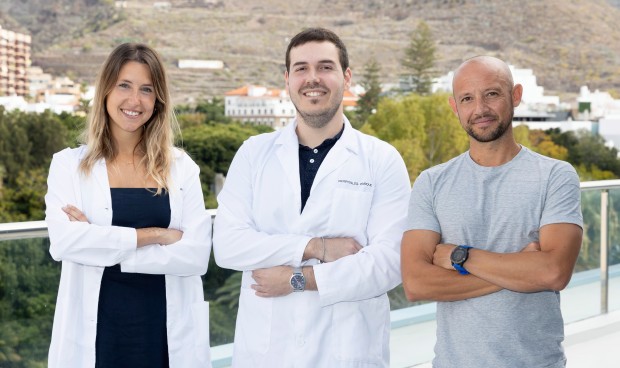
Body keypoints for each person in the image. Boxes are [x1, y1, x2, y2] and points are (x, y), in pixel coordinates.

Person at [212, 27, 411, 367]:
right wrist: (315, 248)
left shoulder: (381, 159)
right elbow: (228, 245)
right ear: (288, 79)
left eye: (325, 67)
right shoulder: (253, 153)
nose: (312, 78)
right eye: (301, 68)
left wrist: (298, 280)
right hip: (267, 353)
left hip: (347, 351)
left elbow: (389, 262)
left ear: (346, 77)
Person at [401, 55, 583, 367]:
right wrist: (521, 271)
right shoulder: (431, 182)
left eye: (492, 94)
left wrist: (461, 257)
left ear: (516, 96)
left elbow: (553, 272)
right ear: (454, 107)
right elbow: (416, 283)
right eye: (467, 98)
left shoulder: (556, 175)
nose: (480, 109)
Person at [45, 43, 212, 368]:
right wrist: (155, 235)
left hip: (164, 336)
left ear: (157, 100)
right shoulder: (67, 165)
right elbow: (64, 242)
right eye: (125, 85)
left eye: (146, 90)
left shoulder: (181, 168)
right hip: (97, 339)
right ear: (106, 90)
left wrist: (100, 242)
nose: (134, 100)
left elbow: (196, 255)